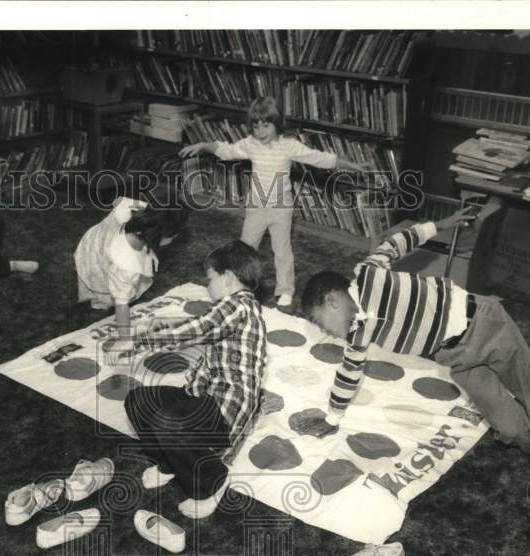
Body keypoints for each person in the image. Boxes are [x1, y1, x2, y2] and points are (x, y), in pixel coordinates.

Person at [300, 210, 530, 556]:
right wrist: (332, 417)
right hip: (456, 358)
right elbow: (347, 376)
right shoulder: (357, 338)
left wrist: (443, 224)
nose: (323, 331)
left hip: (487, 325)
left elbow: (397, 242)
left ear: (332, 301)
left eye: (317, 322)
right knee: (512, 429)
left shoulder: (368, 275)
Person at [179, 95, 369, 309]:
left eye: (266, 126)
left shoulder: (289, 146)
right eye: (256, 126)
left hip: (281, 208)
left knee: (282, 250)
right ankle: (240, 286)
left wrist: (351, 166)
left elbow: (319, 157)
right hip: (257, 207)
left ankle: (286, 289)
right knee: (245, 248)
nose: (261, 132)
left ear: (276, 124)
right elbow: (227, 150)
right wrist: (204, 145)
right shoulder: (251, 144)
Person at [122, 241, 267, 519]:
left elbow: (199, 329)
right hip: (204, 397)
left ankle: (212, 481)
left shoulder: (239, 307)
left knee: (169, 422)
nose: (207, 286)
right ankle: (168, 464)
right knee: (138, 400)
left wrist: (144, 338)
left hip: (225, 409)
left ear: (227, 278)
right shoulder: (233, 310)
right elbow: (212, 355)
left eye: (209, 279)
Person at [74, 196, 186, 337]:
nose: (173, 240)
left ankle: (100, 299)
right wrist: (124, 338)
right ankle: (100, 300)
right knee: (107, 286)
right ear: (158, 235)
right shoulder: (127, 264)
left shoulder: (139, 211)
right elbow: (121, 305)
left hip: (94, 240)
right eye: (173, 237)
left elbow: (119, 200)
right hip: (96, 253)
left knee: (109, 279)